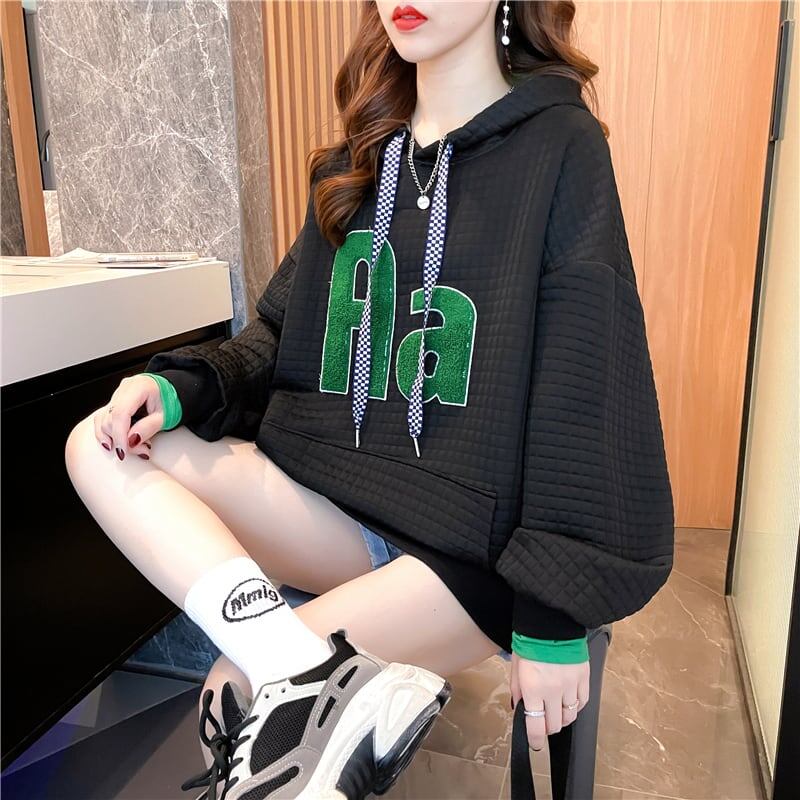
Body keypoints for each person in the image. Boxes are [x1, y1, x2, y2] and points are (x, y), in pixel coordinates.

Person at [64, 1, 674, 798]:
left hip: (472, 552)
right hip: (344, 507)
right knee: (100, 443)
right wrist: (182, 387)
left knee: (233, 687)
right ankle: (302, 672)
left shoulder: (561, 147)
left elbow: (582, 378)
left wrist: (554, 615)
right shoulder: (359, 157)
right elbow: (283, 330)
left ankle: (291, 681)